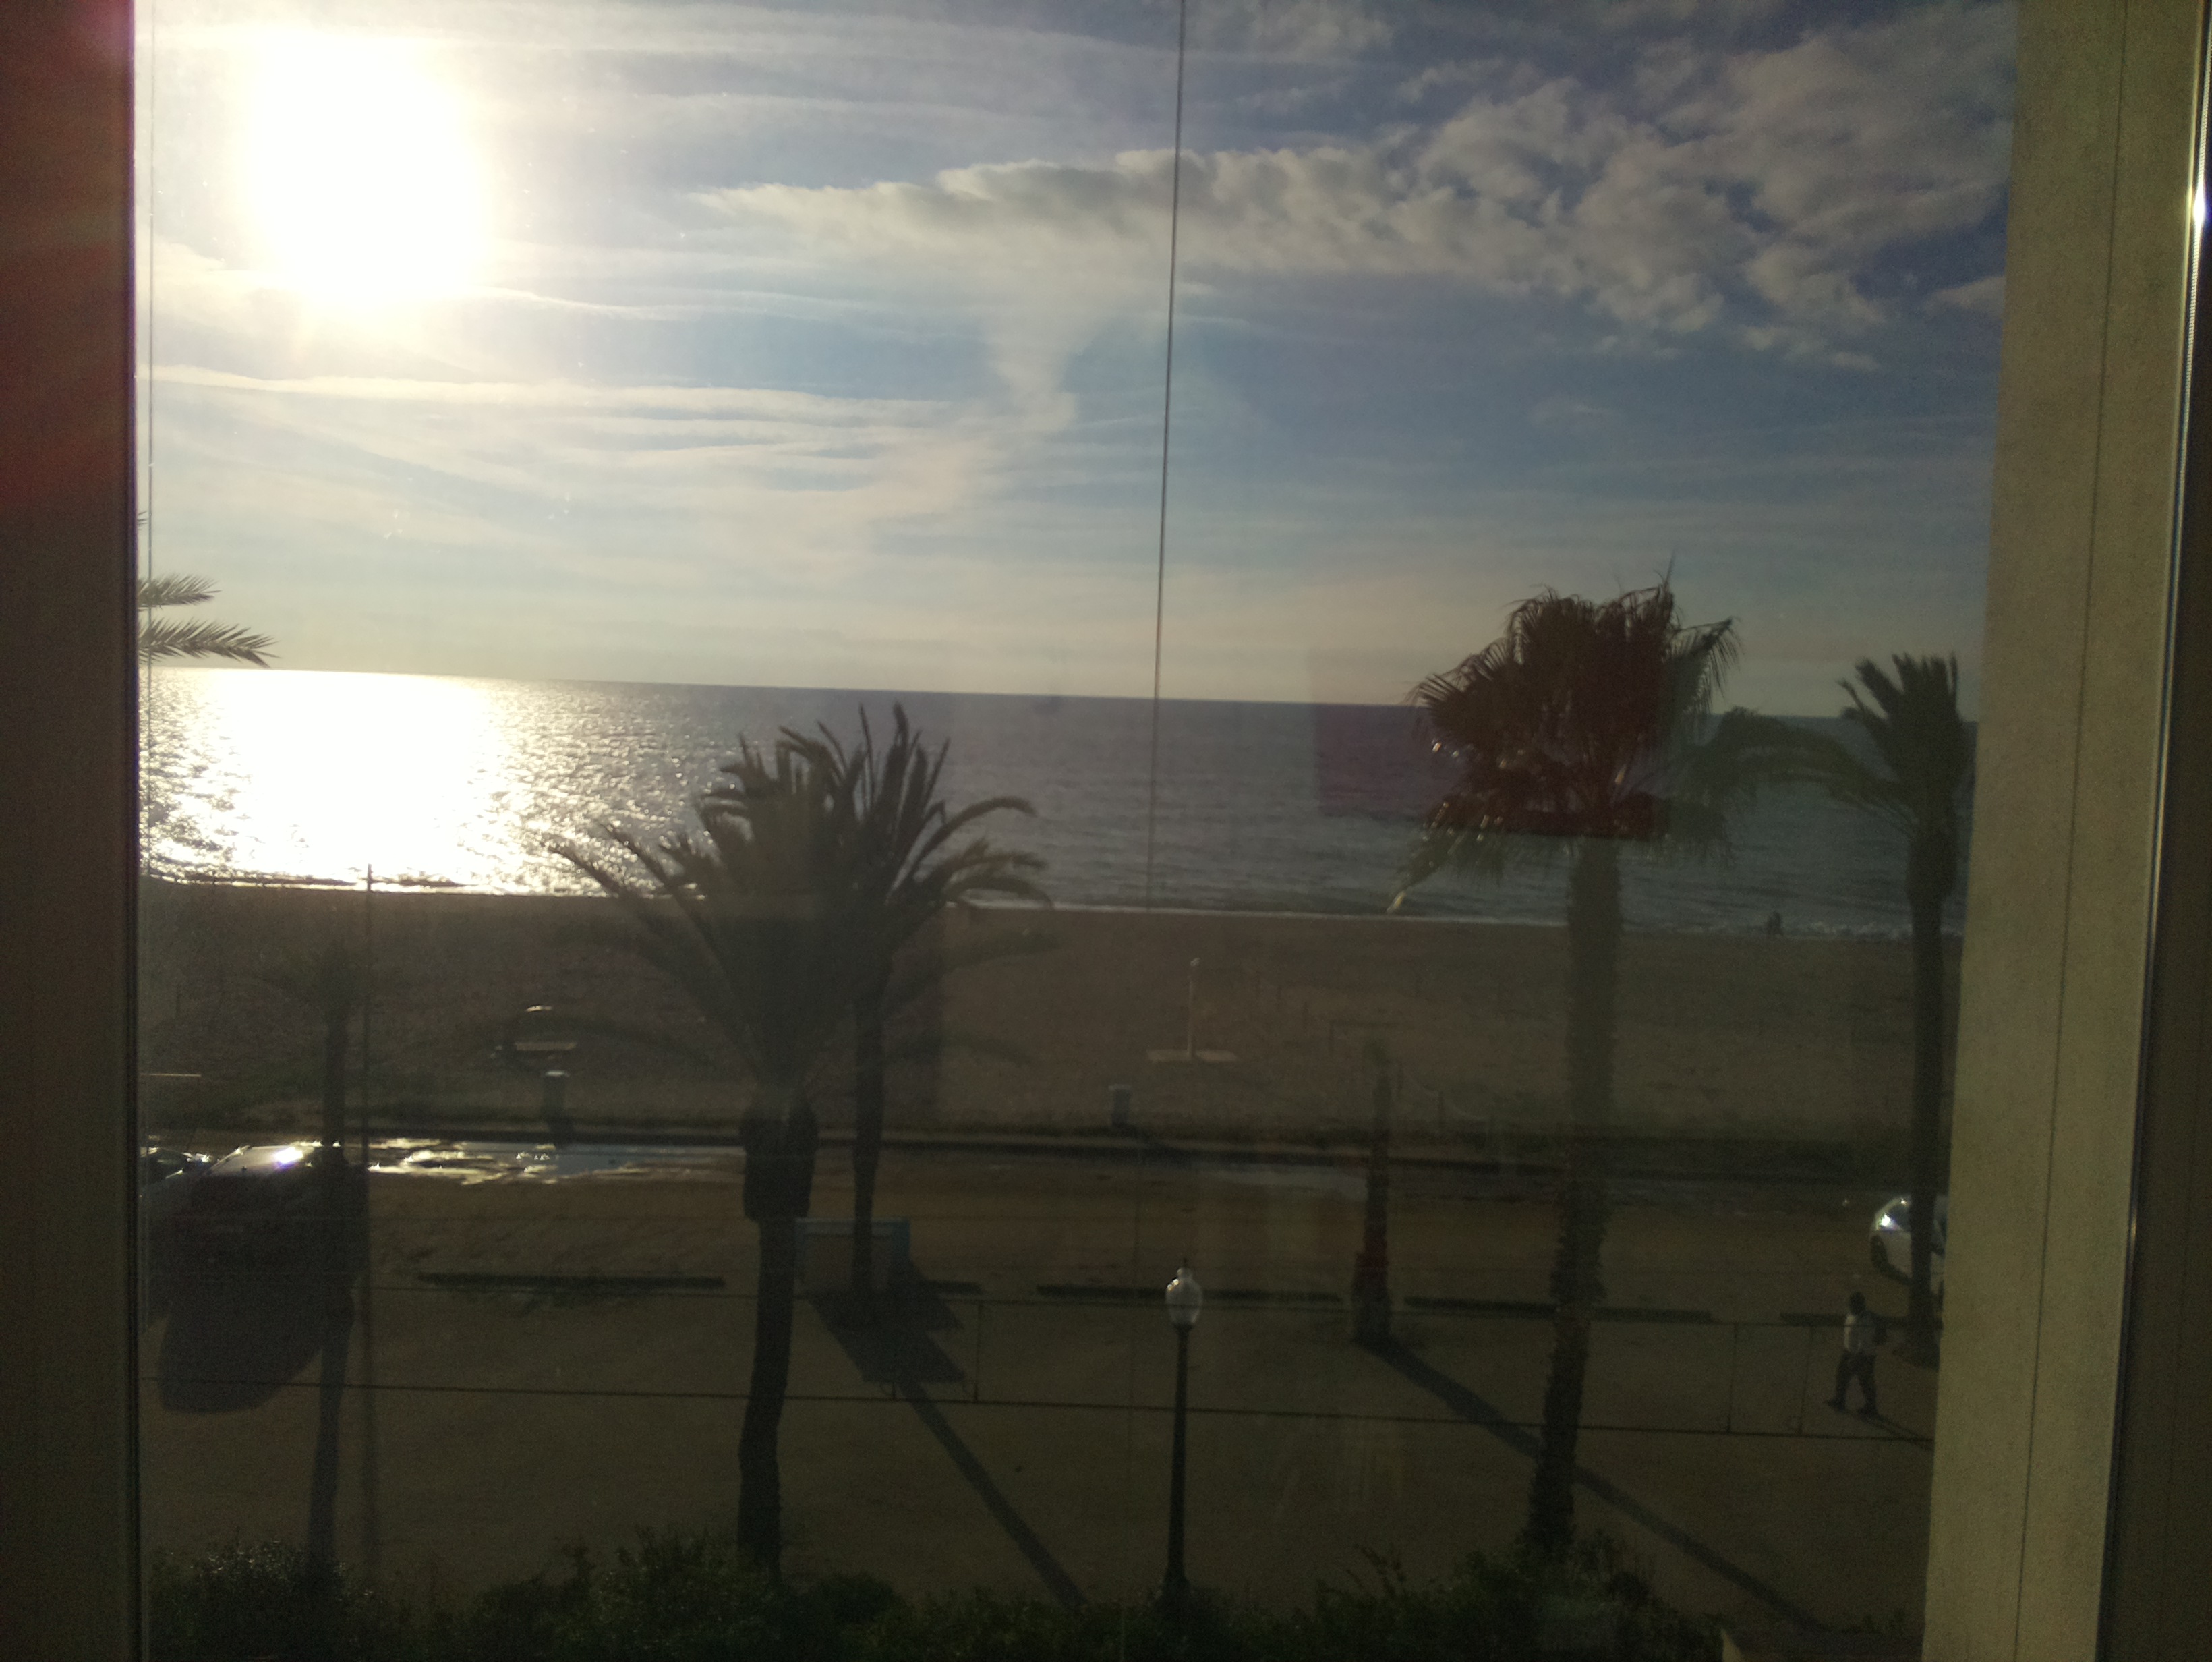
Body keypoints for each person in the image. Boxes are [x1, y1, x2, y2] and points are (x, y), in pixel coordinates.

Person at [1828, 1290, 1882, 1418]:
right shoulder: (1852, 1314)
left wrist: (1855, 1358)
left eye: (1851, 1304)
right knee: (1842, 1376)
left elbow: (1865, 1343)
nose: (1849, 1307)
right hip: (1850, 1352)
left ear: (1859, 1305)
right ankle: (1839, 1400)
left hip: (1863, 1355)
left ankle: (1871, 1408)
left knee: (1865, 1381)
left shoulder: (1865, 1321)